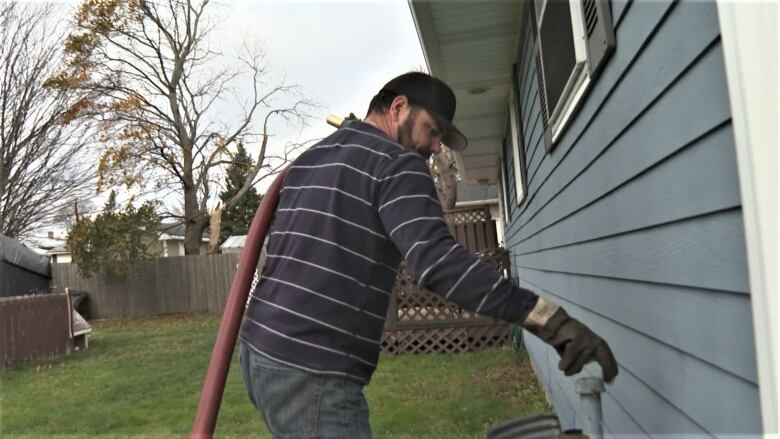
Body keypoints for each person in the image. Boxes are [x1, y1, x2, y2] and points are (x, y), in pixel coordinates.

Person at [238, 72, 618, 438]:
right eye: (432, 130)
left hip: (259, 351)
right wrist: (547, 319)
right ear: (398, 107)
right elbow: (438, 264)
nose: (437, 147)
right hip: (313, 369)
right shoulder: (396, 162)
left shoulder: (312, 158)